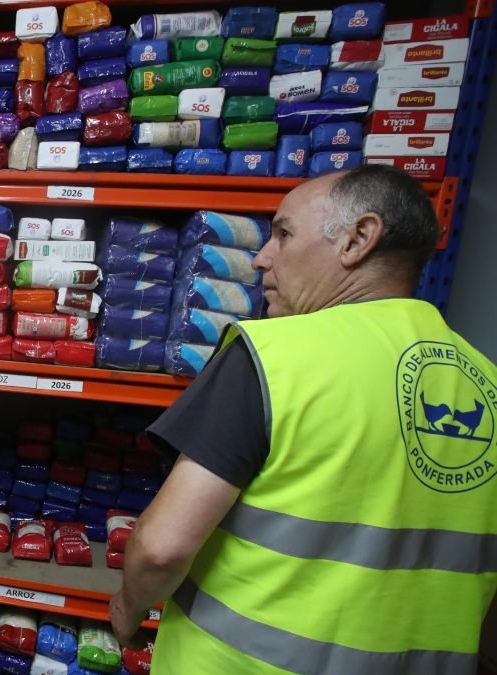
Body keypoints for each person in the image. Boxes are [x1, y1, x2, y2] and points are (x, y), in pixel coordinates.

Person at [110, 165, 497, 675]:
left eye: (284, 233)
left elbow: (161, 548)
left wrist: (126, 610)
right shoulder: (486, 382)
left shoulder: (275, 356)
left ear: (358, 239)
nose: (261, 257)